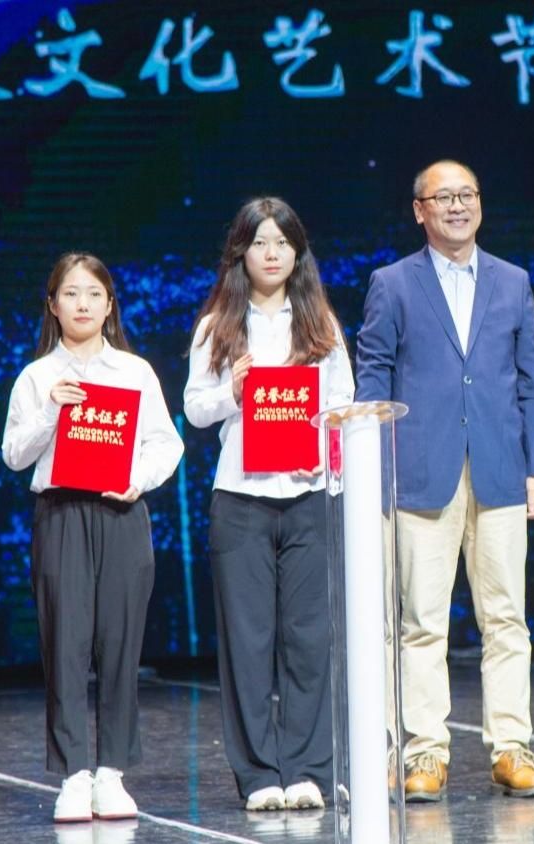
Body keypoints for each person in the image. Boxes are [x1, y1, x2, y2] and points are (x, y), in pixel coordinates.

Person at [355, 159, 534, 802]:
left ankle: (512, 747)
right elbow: (373, 377)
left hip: (500, 470)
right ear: (420, 210)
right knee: (421, 621)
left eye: (467, 194)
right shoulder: (392, 283)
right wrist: (376, 470)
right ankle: (424, 752)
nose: (458, 206)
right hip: (419, 472)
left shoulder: (513, 281)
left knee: (507, 618)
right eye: (444, 197)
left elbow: (532, 382)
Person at [184, 197, 354, 811]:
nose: (272, 253)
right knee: (248, 642)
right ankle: (258, 775)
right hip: (241, 499)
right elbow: (195, 409)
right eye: (260, 242)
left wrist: (322, 454)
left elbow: (344, 407)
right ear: (241, 253)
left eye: (283, 242)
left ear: (298, 252)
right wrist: (232, 392)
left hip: (308, 496)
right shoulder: (218, 326)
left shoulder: (321, 324)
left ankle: (307, 769)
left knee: (309, 641)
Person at [2, 252, 183, 823]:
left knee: (121, 644)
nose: (82, 304)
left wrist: (138, 480)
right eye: (71, 294)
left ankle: (112, 773)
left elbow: (167, 443)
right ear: (53, 306)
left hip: (121, 513)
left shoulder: (134, 371)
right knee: (66, 643)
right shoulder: (36, 377)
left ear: (109, 306)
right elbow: (14, 455)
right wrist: (50, 412)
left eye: (94, 294)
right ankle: (74, 775)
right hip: (61, 515)